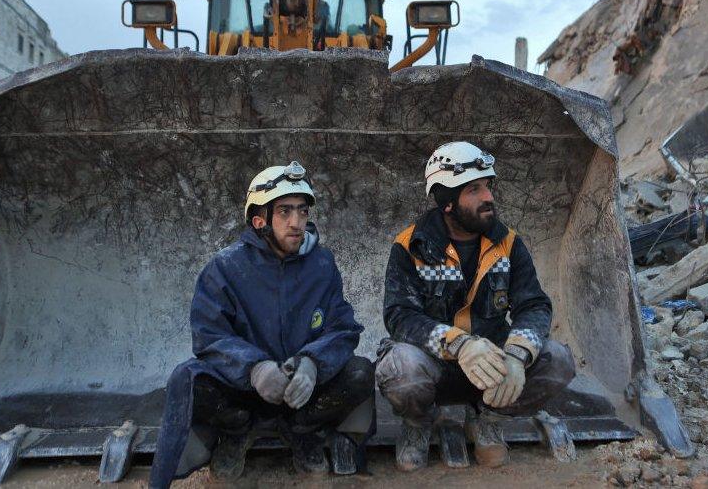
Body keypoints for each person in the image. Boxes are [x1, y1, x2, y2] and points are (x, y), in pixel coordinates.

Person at [149, 162, 373, 487]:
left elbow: (342, 327)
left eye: (302, 211)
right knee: (188, 380)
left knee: (359, 373)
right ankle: (237, 433)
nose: (297, 223)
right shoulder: (224, 268)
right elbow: (209, 336)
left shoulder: (322, 264)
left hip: (301, 392)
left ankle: (302, 430)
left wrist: (312, 363)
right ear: (259, 221)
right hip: (243, 390)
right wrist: (254, 368)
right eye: (284, 212)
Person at [377, 142, 576, 470]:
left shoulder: (508, 243)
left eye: (487, 187)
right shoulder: (410, 245)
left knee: (558, 361)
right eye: (474, 189)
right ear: (447, 203)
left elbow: (534, 304)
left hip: (493, 367)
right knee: (401, 368)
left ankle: (489, 421)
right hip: (435, 366)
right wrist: (459, 345)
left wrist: (517, 354)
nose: (489, 197)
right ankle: (418, 425)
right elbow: (400, 316)